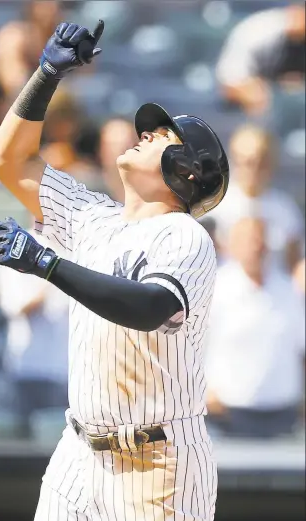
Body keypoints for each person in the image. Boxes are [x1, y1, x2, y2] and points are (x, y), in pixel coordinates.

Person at [0, 20, 229, 521]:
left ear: (187, 170)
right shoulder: (90, 216)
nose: (145, 133)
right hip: (77, 451)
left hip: (156, 463)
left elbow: (149, 306)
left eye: (162, 135)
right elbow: (8, 160)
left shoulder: (186, 236)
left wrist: (49, 264)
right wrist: (47, 73)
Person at [205, 217, 305, 438]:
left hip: (284, 416)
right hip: (227, 415)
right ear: (231, 245)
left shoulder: (288, 289)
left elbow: (300, 347)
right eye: (249, 240)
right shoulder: (215, 288)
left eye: (260, 240)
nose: (256, 246)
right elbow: (189, 346)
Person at [0, 217, 69, 436]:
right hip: (29, 369)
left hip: (67, 370)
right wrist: (54, 276)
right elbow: (16, 307)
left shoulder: (77, 247)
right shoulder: (16, 246)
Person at [209, 124, 304, 272]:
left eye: (261, 162)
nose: (253, 170)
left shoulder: (285, 208)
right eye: (247, 162)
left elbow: (294, 265)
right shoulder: (214, 206)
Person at [216, 3, 305, 116]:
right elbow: (228, 82)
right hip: (242, 110)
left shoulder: (298, 40)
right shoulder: (259, 31)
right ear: (294, 10)